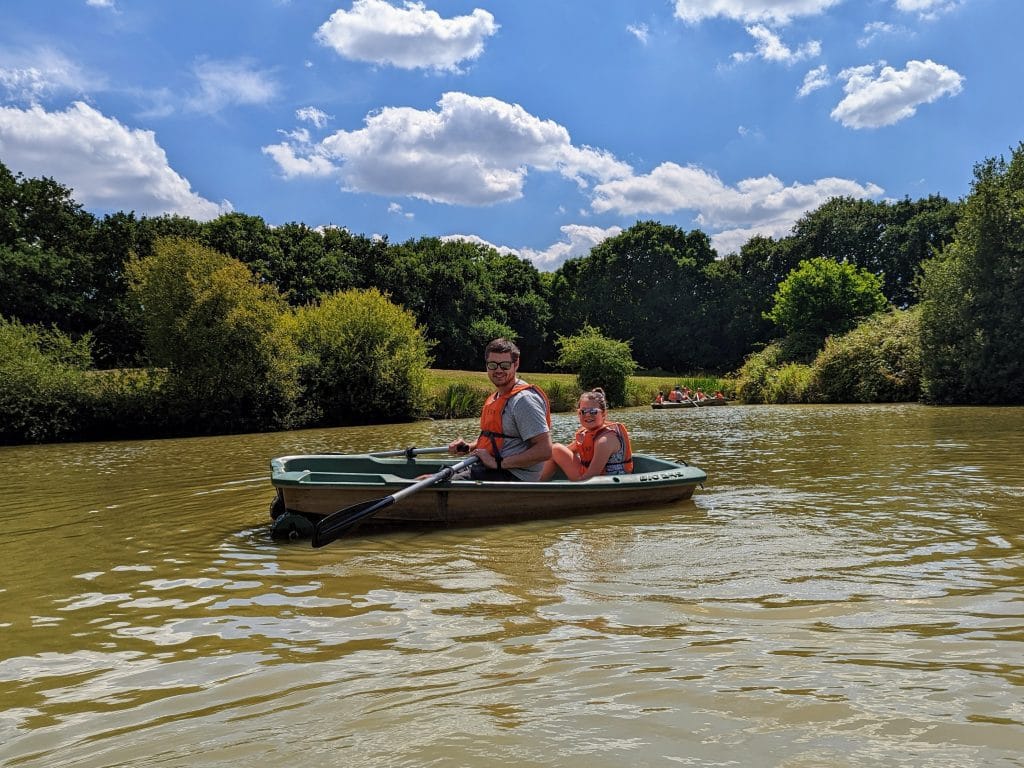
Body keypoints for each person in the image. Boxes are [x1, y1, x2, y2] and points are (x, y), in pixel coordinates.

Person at [448, 338, 552, 481]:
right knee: (432, 477)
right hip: (492, 468)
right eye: (492, 365)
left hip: (513, 475)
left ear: (516, 364)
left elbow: (544, 450)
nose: (498, 370)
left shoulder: (524, 401)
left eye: (504, 365)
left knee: (442, 484)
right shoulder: (497, 396)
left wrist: (497, 463)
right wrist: (469, 446)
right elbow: (497, 438)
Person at [540, 388, 633, 481]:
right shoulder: (587, 434)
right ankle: (536, 482)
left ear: (604, 414)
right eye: (583, 411)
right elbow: (565, 452)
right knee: (555, 450)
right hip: (589, 476)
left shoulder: (604, 441)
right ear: (578, 413)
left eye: (593, 411)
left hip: (600, 482)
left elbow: (591, 477)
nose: (588, 415)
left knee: (556, 449)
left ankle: (534, 487)